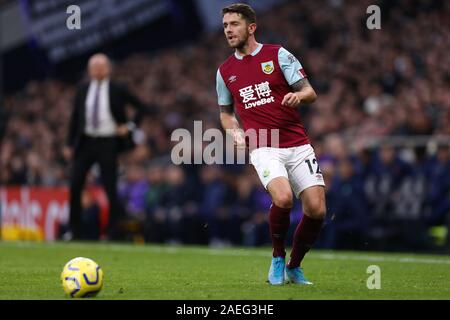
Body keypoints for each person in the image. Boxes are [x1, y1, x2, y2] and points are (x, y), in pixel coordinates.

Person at [216, 3, 326, 285]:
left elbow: (310, 91)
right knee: (284, 198)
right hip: (263, 144)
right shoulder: (224, 71)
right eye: (226, 25)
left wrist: (298, 97)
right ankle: (277, 257)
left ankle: (294, 265)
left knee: (316, 209)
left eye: (234, 24)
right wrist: (236, 133)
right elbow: (226, 114)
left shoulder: (278, 55)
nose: (228, 30)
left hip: (297, 142)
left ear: (251, 27)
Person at [63, 53, 155, 241]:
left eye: (101, 65)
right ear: (89, 70)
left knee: (110, 187)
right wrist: (68, 143)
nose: (97, 69)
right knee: (75, 184)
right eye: (94, 66)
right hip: (86, 142)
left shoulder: (118, 88)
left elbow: (141, 107)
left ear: (108, 68)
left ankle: (113, 230)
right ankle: (74, 230)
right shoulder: (83, 89)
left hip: (108, 142)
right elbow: (75, 118)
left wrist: (129, 127)